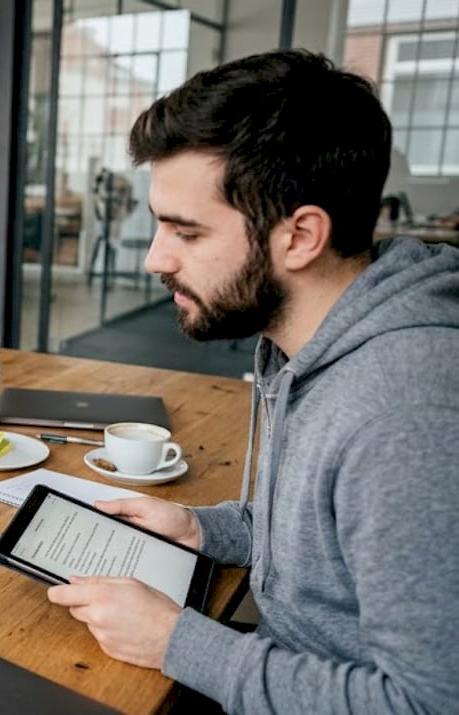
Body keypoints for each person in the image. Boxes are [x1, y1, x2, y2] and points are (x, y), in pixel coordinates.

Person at [44, 50, 459, 713]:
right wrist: (206, 530)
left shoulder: (402, 416)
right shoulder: (302, 335)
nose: (155, 257)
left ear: (300, 237)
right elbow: (335, 543)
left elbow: (427, 703)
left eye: (186, 230)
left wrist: (176, 640)